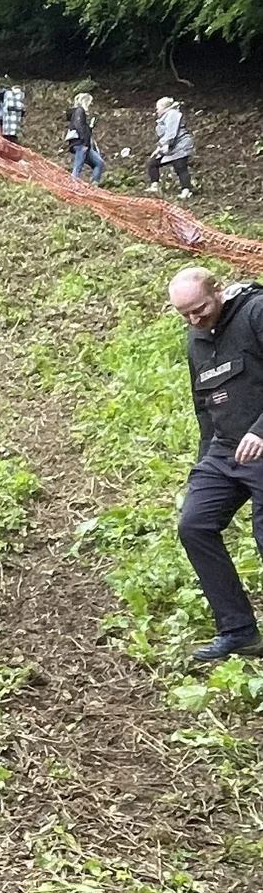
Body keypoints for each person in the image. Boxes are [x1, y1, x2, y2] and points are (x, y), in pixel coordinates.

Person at [170, 268, 263, 661]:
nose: (195, 320)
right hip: (225, 452)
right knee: (194, 525)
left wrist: (261, 430)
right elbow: (204, 407)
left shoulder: (255, 312)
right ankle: (239, 630)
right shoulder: (196, 339)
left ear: (218, 291)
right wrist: (204, 460)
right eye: (185, 314)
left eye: (200, 309)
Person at [148, 98, 194, 199]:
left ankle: (186, 191)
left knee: (180, 167)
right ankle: (154, 186)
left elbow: (171, 131)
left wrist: (166, 145)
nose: (156, 110)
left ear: (164, 107)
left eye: (158, 108)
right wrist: (159, 148)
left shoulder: (172, 114)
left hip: (180, 145)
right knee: (152, 163)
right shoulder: (165, 116)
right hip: (169, 146)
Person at [66, 93, 104, 185]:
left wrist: (90, 126)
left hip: (83, 143)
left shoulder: (81, 113)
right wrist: (85, 143)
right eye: (89, 102)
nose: (91, 105)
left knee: (99, 163)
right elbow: (79, 127)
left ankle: (95, 184)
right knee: (78, 165)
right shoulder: (79, 111)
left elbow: (84, 129)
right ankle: (72, 184)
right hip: (80, 143)